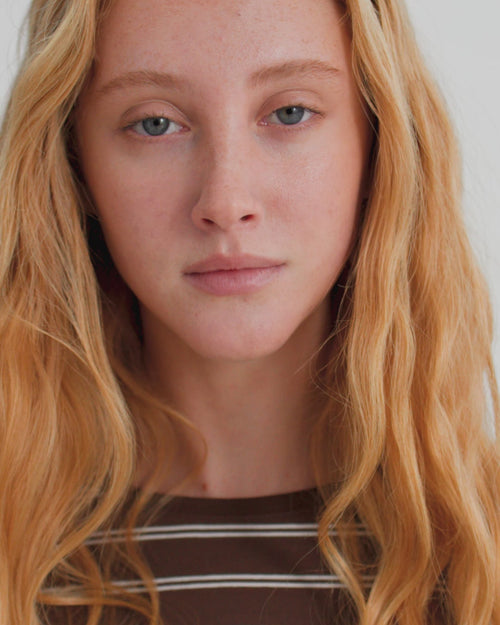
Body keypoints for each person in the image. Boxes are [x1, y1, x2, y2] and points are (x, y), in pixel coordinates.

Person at [0, 0, 498, 623]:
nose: (226, 200)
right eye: (155, 123)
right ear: (73, 167)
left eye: (290, 112)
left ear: (379, 146)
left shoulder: (482, 552)